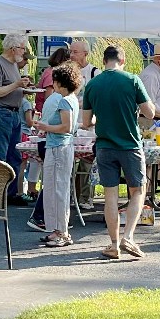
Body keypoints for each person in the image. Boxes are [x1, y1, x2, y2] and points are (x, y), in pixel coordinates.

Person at [80, 46, 155, 259]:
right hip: (130, 145)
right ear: (122, 59)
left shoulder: (93, 84)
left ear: (104, 61)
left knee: (110, 195)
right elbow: (149, 113)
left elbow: (87, 122)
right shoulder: (132, 80)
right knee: (138, 191)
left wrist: (100, 117)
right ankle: (128, 236)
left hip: (104, 146)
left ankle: (113, 244)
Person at [35, 62, 82, 247]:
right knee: (54, 189)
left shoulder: (64, 100)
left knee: (58, 189)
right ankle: (56, 229)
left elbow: (66, 127)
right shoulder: (71, 99)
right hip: (59, 147)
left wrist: (45, 127)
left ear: (59, 82)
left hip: (59, 148)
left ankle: (62, 231)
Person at [0, 34, 32, 205]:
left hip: (14, 113)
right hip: (2, 113)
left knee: (15, 155)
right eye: (22, 48)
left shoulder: (13, 65)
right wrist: (17, 85)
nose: (24, 52)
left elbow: (11, 88)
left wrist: (24, 89)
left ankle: (11, 193)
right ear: (13, 49)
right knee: (0, 155)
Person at [68, 39, 97, 211]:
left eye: (75, 52)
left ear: (85, 53)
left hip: (88, 125)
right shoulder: (68, 72)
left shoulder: (94, 72)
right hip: (70, 123)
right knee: (70, 162)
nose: (71, 55)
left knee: (87, 162)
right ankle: (71, 196)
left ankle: (86, 198)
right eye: (70, 51)